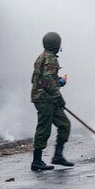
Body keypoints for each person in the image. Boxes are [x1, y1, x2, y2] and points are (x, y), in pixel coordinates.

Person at [30, 31, 73, 171]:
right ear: (56, 45)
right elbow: (48, 80)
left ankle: (58, 156)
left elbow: (39, 79)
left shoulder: (41, 57)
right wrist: (58, 96)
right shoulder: (50, 59)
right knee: (44, 129)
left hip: (48, 99)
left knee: (64, 124)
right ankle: (36, 161)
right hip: (45, 100)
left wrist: (59, 82)